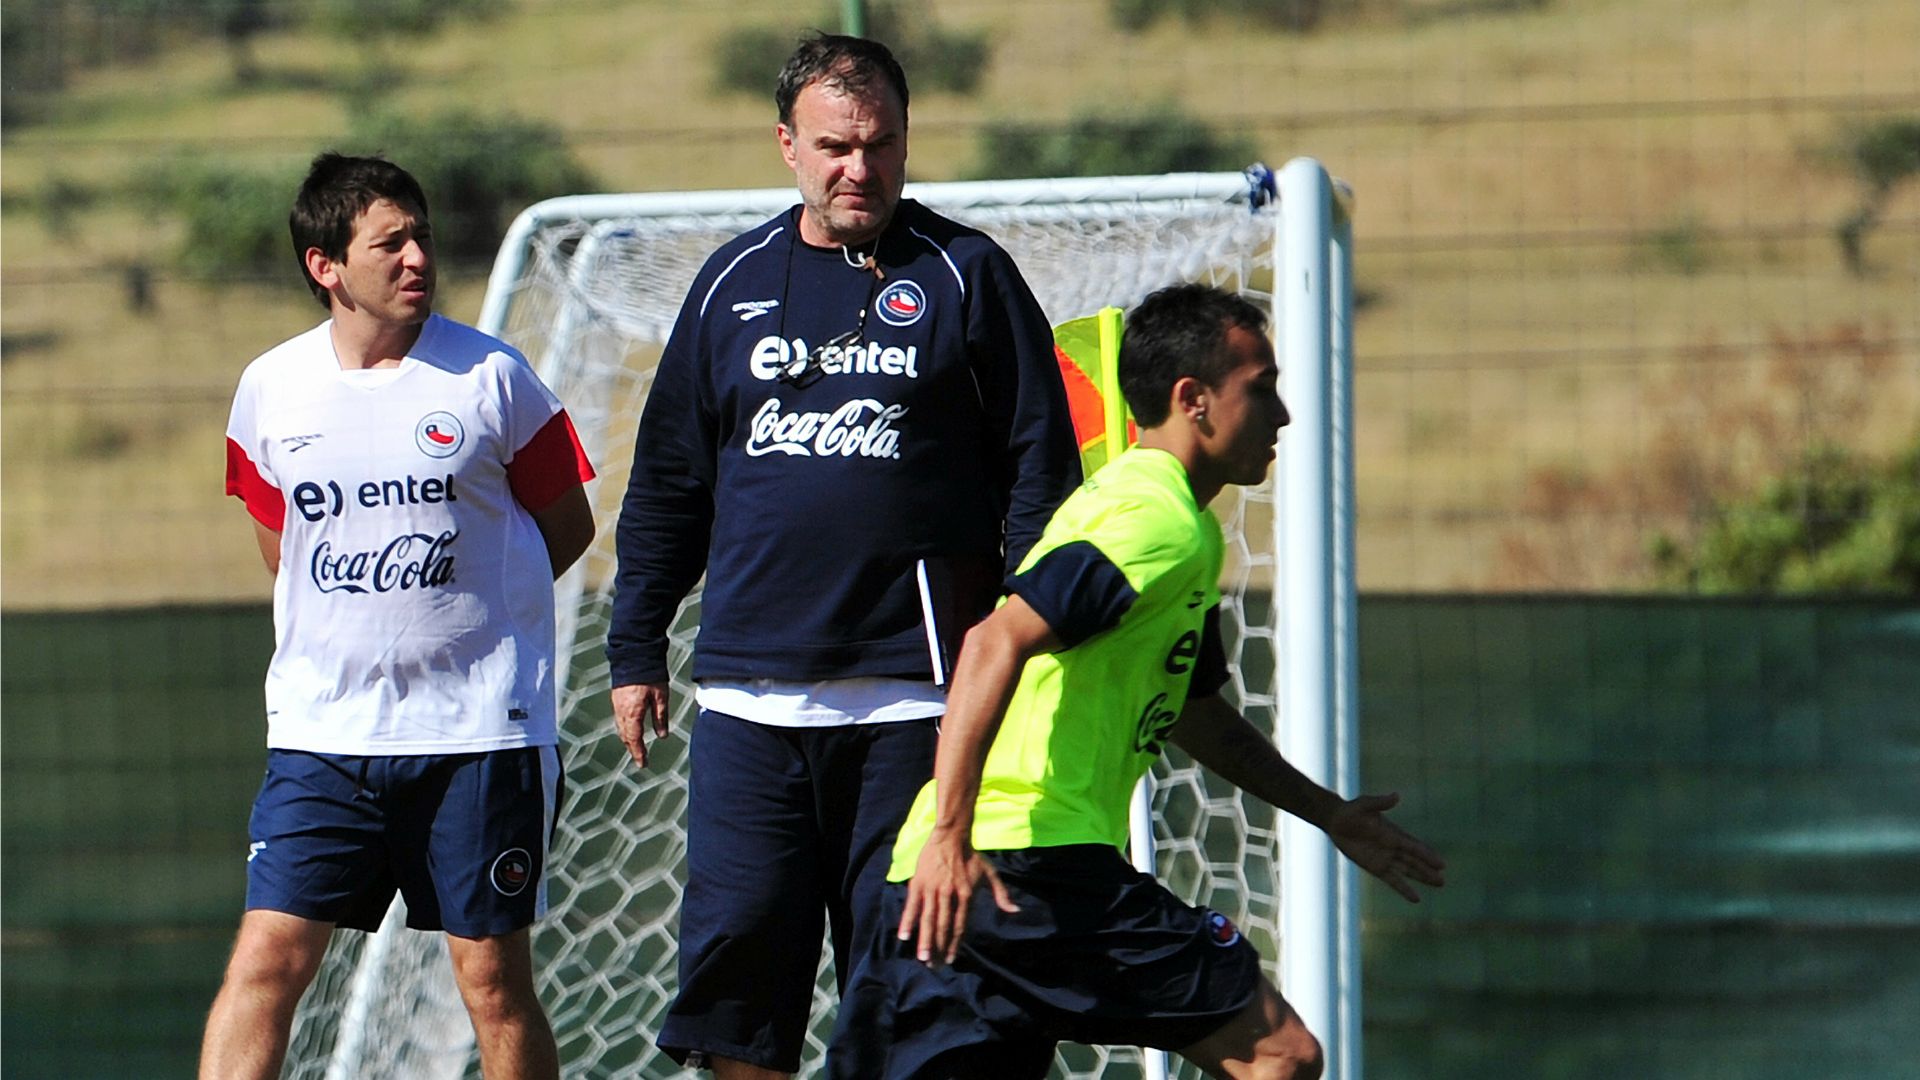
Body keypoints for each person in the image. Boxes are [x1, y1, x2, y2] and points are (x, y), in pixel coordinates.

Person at [605, 32, 1081, 1079]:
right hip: (750, 711)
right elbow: (671, 479)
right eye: (832, 146)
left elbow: (1042, 473)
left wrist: (1024, 637)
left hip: (917, 709)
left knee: (911, 993)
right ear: (787, 146)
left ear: (906, 143)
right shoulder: (730, 284)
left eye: (878, 144)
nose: (856, 168)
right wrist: (636, 644)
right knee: (738, 995)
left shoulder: (967, 277)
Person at [829, 284, 1448, 1079]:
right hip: (1026, 865)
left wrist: (1328, 814)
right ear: (1193, 400)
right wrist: (955, 833)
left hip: (946, 876)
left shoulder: (1154, 514)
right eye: (1260, 389)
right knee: (1279, 1055)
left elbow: (1197, 712)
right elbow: (992, 642)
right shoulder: (1155, 521)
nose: (1283, 415)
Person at [203, 152, 595, 1080]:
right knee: (265, 962)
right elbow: (278, 545)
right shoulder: (271, 388)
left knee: (491, 981)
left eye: (422, 235)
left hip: (479, 736)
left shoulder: (492, 376)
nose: (418, 256)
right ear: (326, 267)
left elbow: (567, 527)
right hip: (323, 737)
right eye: (391, 242)